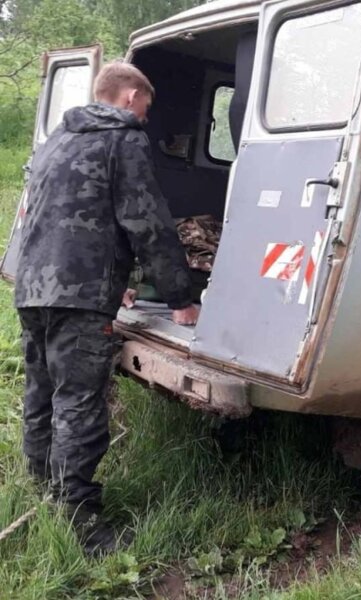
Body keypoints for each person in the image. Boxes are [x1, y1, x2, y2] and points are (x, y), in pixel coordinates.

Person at [14, 62, 199, 556]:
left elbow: (55, 215)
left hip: (32, 287)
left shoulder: (57, 139)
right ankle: (80, 523)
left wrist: (116, 284)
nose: (145, 118)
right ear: (130, 96)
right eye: (146, 108)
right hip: (80, 297)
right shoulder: (123, 137)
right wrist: (180, 298)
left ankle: (44, 488)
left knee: (41, 392)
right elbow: (146, 222)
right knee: (79, 403)